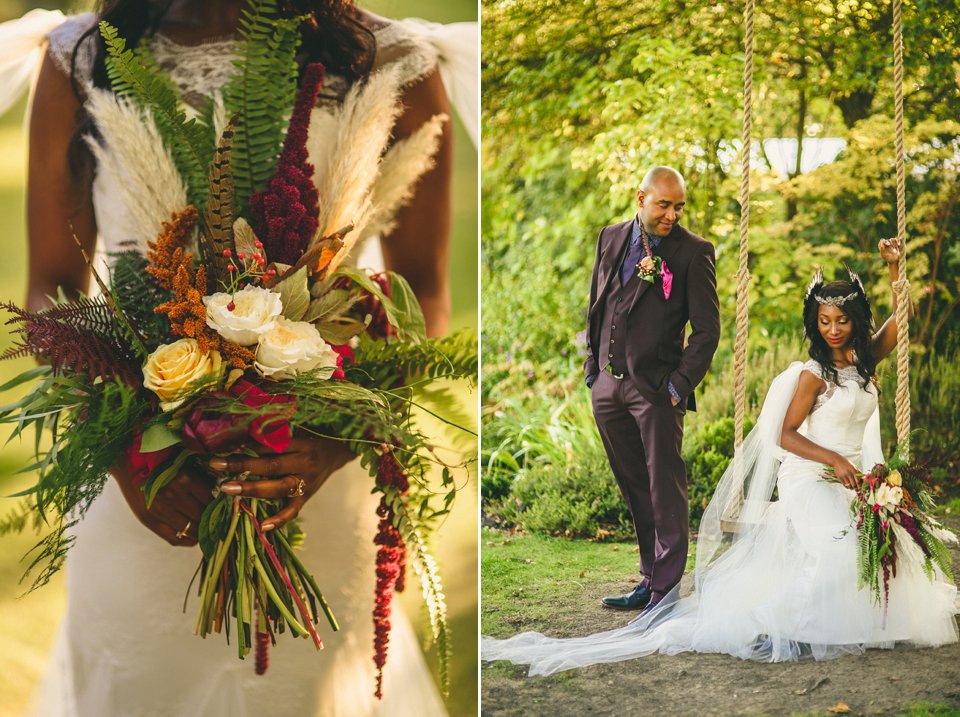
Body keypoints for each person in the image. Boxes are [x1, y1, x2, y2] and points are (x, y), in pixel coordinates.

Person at [3, 1, 475, 714]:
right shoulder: (85, 57)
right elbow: (51, 287)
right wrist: (123, 449)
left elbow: (424, 293)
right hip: (144, 494)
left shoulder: (389, 60)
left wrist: (332, 439)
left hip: (307, 479)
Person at [483, 239, 958, 675]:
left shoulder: (864, 361)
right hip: (810, 476)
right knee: (838, 548)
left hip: (856, 481)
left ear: (856, 320)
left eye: (842, 321)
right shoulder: (813, 375)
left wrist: (896, 269)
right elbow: (787, 436)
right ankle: (780, 622)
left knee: (883, 550)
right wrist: (834, 461)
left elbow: (904, 317)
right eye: (824, 321)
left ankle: (861, 622)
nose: (832, 330)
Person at [583, 165, 720, 611]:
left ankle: (665, 591)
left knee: (665, 485)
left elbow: (707, 331)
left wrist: (678, 386)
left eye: (678, 206)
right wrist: (593, 370)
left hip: (657, 391)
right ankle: (648, 577)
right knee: (634, 483)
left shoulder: (693, 252)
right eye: (664, 204)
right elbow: (597, 304)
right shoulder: (610, 236)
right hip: (608, 386)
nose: (672, 215)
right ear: (640, 197)